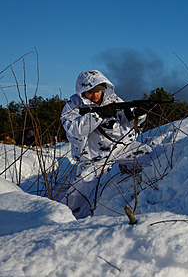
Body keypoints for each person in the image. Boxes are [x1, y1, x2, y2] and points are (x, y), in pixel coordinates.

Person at [61, 70, 155, 219]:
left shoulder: (114, 99)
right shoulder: (73, 105)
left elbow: (127, 125)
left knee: (151, 158)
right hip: (93, 156)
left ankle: (132, 171)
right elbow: (74, 130)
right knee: (80, 189)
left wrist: (138, 114)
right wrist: (98, 115)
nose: (95, 95)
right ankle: (69, 221)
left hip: (120, 148)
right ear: (82, 91)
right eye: (90, 91)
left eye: (98, 90)